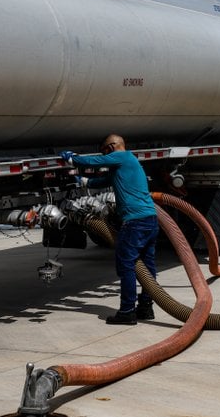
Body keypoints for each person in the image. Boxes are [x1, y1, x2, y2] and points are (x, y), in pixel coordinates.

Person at [61, 135, 158, 325]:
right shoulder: (127, 163)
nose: (104, 156)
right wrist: (85, 182)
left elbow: (97, 162)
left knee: (127, 266)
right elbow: (106, 180)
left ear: (112, 147)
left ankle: (127, 311)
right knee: (147, 267)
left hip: (135, 222)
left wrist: (73, 158)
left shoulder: (122, 156)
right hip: (150, 220)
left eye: (104, 151)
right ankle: (146, 308)